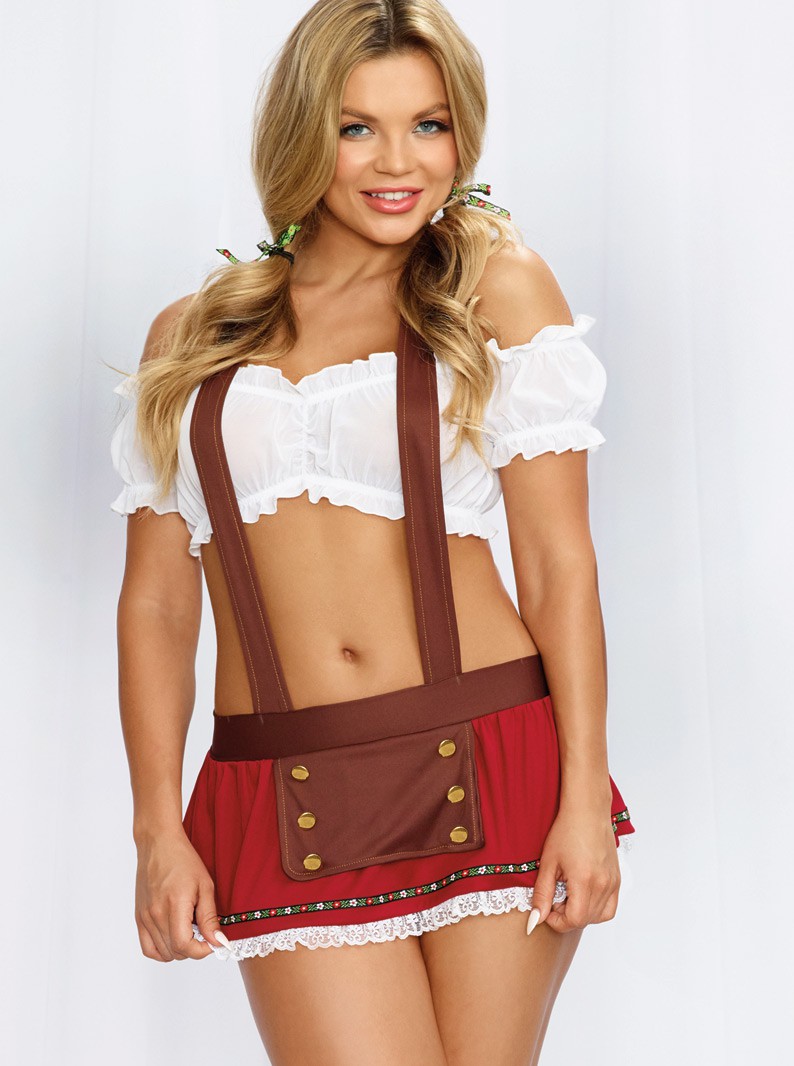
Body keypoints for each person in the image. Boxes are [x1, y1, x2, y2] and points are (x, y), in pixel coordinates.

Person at [110, 0, 636, 1061]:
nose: (399, 162)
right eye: (358, 128)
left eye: (428, 125)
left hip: (490, 756)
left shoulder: (493, 289)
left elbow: (556, 563)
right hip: (282, 782)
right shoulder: (194, 334)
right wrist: (157, 827)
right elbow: (159, 602)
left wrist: (583, 794)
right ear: (304, 134)